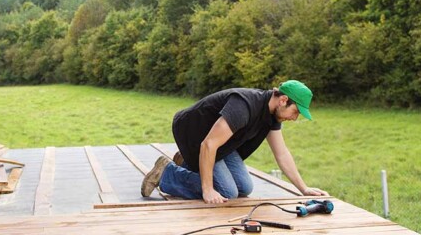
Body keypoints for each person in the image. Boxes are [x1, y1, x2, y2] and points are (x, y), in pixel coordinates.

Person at [141, 80, 329, 203]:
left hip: (221, 142)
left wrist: (304, 189)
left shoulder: (272, 117)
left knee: (244, 187)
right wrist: (207, 190)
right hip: (194, 133)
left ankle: (189, 163)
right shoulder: (245, 106)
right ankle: (167, 173)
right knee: (227, 192)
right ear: (283, 100)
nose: (295, 118)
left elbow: (282, 154)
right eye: (295, 112)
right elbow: (208, 144)